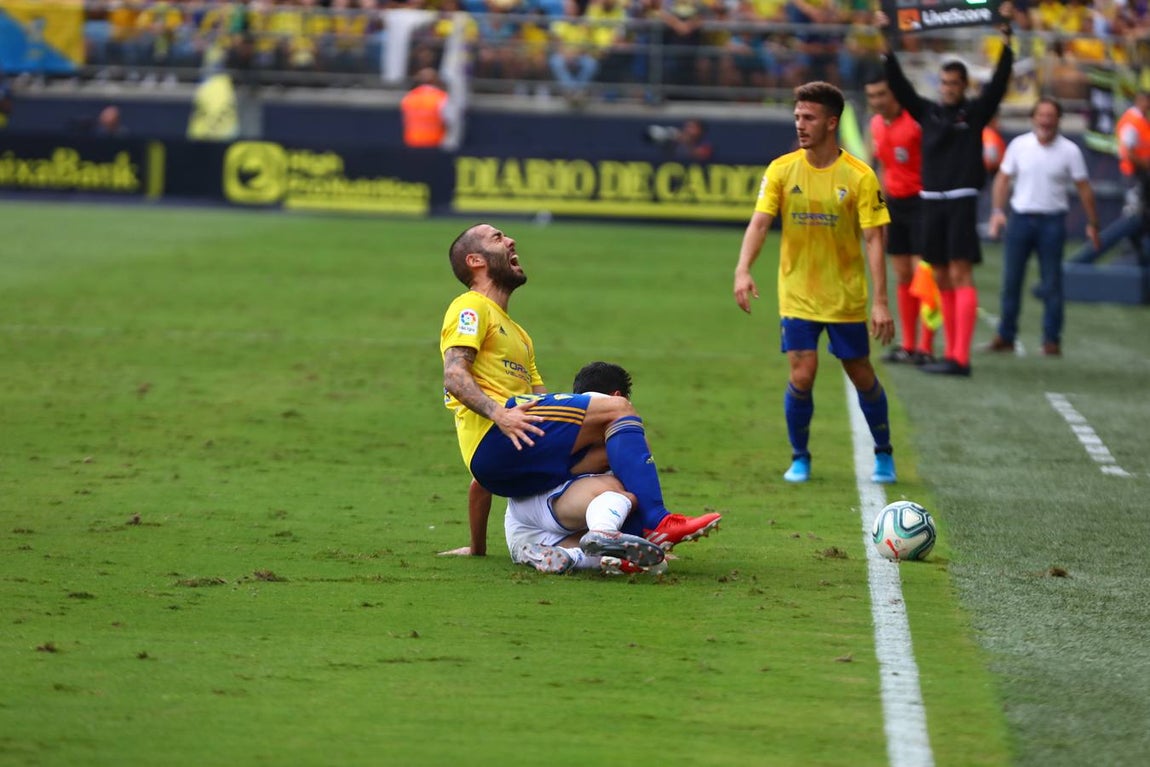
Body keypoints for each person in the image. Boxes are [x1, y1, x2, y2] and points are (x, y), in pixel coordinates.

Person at [440, 223, 721, 553]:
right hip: (497, 437)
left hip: (510, 455)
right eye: (498, 238)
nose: (511, 240)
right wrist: (499, 414)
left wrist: (477, 547)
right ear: (475, 260)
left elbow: (541, 404)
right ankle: (658, 521)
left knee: (613, 449)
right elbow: (454, 375)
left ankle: (624, 545)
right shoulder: (470, 306)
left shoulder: (519, 335)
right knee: (617, 409)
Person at [732, 81, 897, 485]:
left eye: (809, 118)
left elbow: (875, 238)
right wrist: (742, 268)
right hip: (798, 293)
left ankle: (884, 452)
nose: (800, 125)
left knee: (859, 372)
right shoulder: (782, 169)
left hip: (845, 296)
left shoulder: (859, 176)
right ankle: (800, 457)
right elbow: (760, 222)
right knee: (802, 373)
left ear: (831, 122)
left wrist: (881, 301)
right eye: (797, 117)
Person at [877, 4, 1016, 377]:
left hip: (959, 202)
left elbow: (1000, 83)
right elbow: (902, 88)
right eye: (945, 83)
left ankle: (960, 357)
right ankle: (949, 354)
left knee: (959, 274)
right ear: (939, 84)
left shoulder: (973, 114)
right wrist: (887, 47)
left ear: (964, 87)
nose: (950, 89)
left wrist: (1006, 41)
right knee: (938, 275)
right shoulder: (929, 113)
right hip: (931, 202)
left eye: (956, 84)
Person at [505, 362, 669, 575]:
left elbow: (479, 485)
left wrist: (476, 547)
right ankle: (604, 532)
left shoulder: (555, 421)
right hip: (561, 510)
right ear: (619, 397)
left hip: (521, 526)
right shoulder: (621, 429)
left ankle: (565, 556)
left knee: (610, 555)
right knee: (623, 492)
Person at [985, 97, 1100, 357]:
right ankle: (1006, 335)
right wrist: (997, 212)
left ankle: (1051, 340)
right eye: (1041, 115)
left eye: (1051, 116)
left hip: (1052, 220)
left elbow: (1084, 189)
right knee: (1011, 280)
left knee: (1052, 283)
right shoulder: (1019, 145)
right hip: (1021, 218)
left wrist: (1093, 224)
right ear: (1033, 118)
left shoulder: (1070, 150)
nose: (1046, 120)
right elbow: (1002, 180)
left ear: (1058, 120)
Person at [865, 73, 935, 365]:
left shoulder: (917, 122)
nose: (877, 101)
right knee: (903, 274)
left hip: (922, 203)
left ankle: (926, 348)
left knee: (924, 275)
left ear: (896, 94)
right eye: (872, 96)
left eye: (882, 94)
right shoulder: (876, 125)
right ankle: (908, 345)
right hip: (894, 205)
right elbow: (881, 166)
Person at [1068, 89, 1150, 266]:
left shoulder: (1141, 120)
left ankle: (1135, 250)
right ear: (1141, 101)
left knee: (1140, 216)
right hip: (1134, 174)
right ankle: (1128, 249)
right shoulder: (1133, 121)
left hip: (1140, 175)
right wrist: (1146, 164)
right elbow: (1127, 152)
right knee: (1134, 215)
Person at [400, 68, 450, 148]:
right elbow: (449, 121)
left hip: (412, 143)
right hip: (435, 144)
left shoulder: (409, 97)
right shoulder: (442, 97)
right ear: (437, 81)